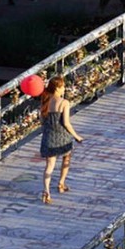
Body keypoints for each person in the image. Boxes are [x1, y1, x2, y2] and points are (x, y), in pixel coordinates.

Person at [40, 76, 84, 204]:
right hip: (63, 137)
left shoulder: (44, 101)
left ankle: (46, 191)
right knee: (66, 158)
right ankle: (61, 183)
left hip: (49, 136)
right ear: (58, 88)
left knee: (49, 166)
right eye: (63, 86)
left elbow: (42, 121)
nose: (64, 88)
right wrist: (77, 136)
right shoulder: (64, 102)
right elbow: (66, 123)